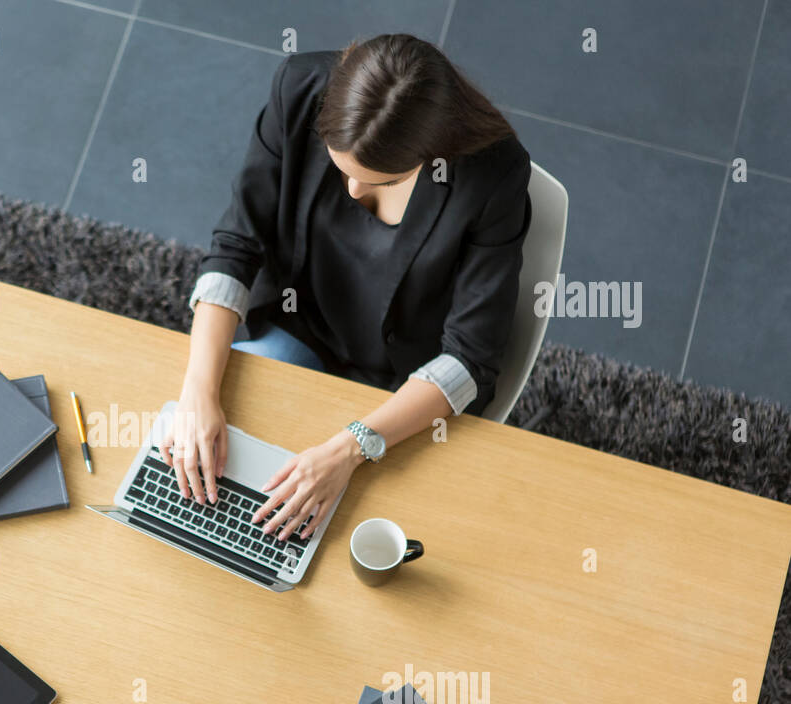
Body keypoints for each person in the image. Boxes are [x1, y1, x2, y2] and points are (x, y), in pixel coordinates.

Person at [161, 34, 531, 543]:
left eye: (382, 180)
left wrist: (350, 448)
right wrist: (197, 394)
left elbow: (470, 358)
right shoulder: (300, 86)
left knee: (348, 533)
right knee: (218, 491)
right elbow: (236, 245)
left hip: (403, 381)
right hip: (300, 328)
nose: (354, 191)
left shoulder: (494, 174)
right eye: (341, 169)